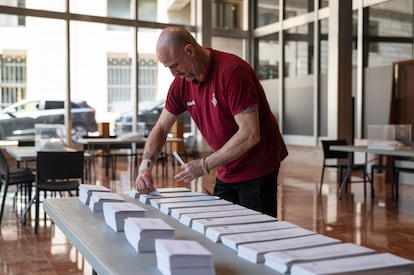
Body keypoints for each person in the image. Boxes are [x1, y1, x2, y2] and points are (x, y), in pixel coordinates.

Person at [135, 27, 288, 217]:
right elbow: (161, 128)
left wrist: (205, 165)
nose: (173, 73)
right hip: (226, 168)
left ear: (189, 50)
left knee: (257, 237)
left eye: (175, 65)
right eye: (169, 68)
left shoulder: (232, 72)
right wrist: (145, 167)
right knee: (222, 231)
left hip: (257, 167)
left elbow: (250, 134)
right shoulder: (181, 84)